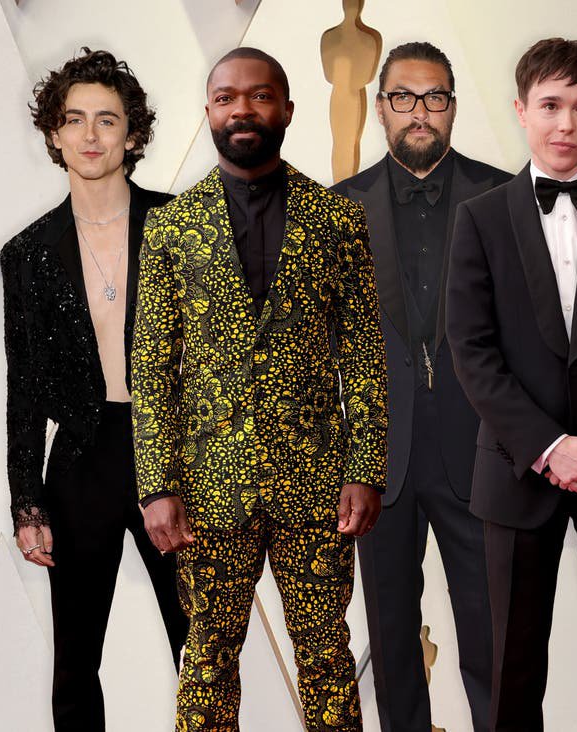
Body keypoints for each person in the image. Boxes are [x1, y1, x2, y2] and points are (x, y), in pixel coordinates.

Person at [131, 47, 388, 730]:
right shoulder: (170, 228)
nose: (242, 109)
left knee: (327, 658)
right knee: (207, 663)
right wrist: (156, 485)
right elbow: (152, 369)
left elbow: (364, 355)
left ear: (288, 109)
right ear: (209, 111)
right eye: (226, 98)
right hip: (208, 491)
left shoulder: (337, 221)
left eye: (259, 95)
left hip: (318, 486)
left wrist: (365, 468)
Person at [446, 37, 577, 731]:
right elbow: (472, 350)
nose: (566, 123)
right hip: (517, 473)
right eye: (550, 105)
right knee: (511, 672)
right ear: (521, 110)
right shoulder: (479, 217)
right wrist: (549, 446)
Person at [0, 47, 187, 731]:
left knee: (203, 649)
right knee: (74, 663)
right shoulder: (29, 252)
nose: (89, 135)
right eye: (73, 119)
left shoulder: (182, 228)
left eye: (106, 120)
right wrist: (27, 500)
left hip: (174, 454)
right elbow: (24, 386)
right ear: (53, 134)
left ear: (132, 134)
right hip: (81, 458)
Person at [332, 41, 510, 732]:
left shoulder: (503, 197)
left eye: (434, 97)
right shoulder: (338, 210)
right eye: (403, 97)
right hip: (379, 466)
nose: (419, 112)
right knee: (392, 645)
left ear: (452, 107)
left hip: (480, 456)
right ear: (380, 107)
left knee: (493, 642)